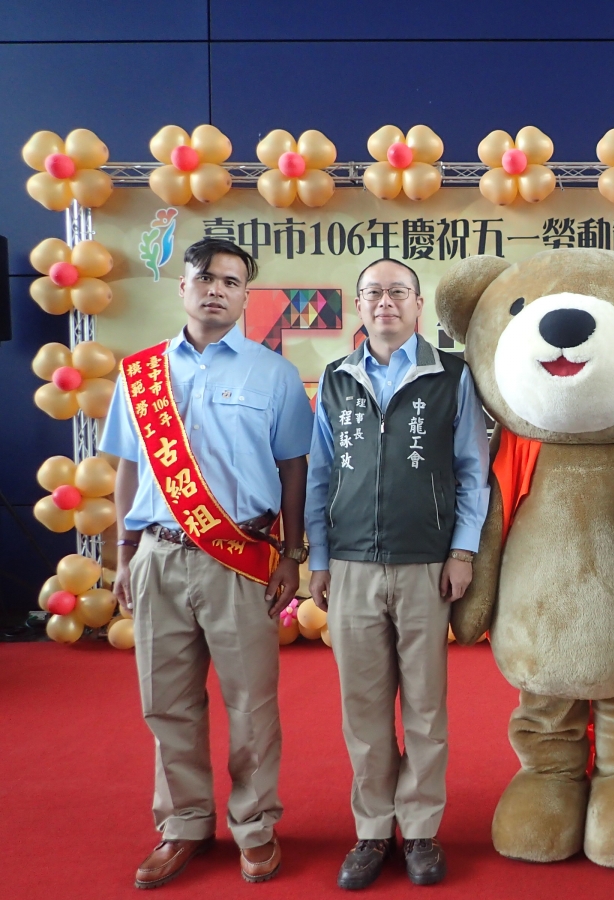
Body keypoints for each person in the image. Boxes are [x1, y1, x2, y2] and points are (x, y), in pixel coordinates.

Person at [104, 238, 313, 889]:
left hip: (241, 559)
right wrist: (124, 552)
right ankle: (184, 824)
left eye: (230, 280)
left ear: (246, 295)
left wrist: (293, 553)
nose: (216, 289)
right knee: (165, 701)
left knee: (251, 703)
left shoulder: (274, 374)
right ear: (183, 287)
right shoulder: (140, 374)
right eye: (204, 278)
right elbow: (128, 467)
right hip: (158, 556)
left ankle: (255, 826)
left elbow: (295, 468)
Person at [305, 258, 489, 890]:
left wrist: (462, 551)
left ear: (418, 306)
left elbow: (471, 471)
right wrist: (320, 557)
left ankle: (421, 829)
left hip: (425, 566)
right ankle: (372, 830)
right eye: (373, 293)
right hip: (352, 565)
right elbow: (321, 474)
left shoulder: (451, 376)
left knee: (425, 707)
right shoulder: (336, 379)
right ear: (359, 306)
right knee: (362, 706)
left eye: (398, 292)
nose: (385, 302)